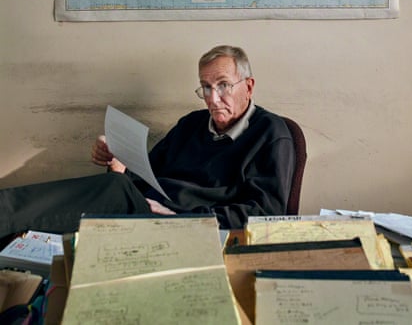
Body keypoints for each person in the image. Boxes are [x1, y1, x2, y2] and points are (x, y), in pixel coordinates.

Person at [0, 45, 296, 239]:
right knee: (110, 189)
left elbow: (264, 213)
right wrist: (118, 164)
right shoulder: (190, 124)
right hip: (143, 210)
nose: (212, 98)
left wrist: (184, 217)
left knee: (110, 193)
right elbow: (144, 178)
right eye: (205, 87)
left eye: (223, 86)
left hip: (185, 229)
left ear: (249, 86)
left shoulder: (271, 134)